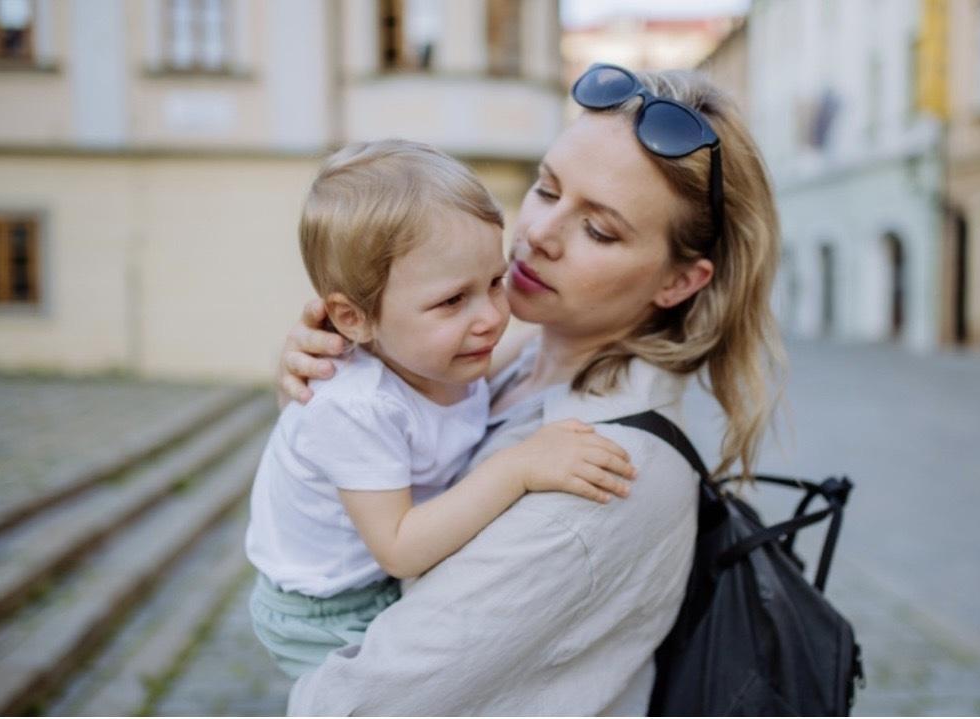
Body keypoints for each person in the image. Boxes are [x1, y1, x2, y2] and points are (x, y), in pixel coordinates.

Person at [276, 64, 785, 715]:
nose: (538, 234)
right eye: (546, 189)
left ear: (679, 282)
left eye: (599, 230)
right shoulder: (515, 353)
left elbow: (352, 704)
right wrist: (333, 373)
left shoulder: (596, 477)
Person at [245, 139, 637, 679]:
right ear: (354, 319)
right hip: (322, 613)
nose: (490, 319)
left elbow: (519, 353)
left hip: (374, 585)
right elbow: (401, 549)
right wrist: (520, 466)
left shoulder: (443, 359)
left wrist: (602, 330)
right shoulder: (358, 407)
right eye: (453, 301)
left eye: (495, 283)